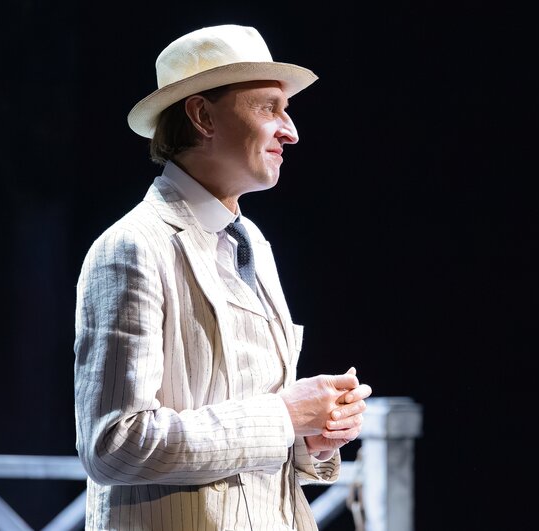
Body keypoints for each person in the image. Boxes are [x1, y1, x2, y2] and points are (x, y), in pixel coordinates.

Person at [73, 24, 372, 530]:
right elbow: (114, 444)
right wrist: (285, 416)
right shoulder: (132, 247)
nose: (290, 131)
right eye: (269, 108)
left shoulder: (252, 243)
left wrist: (309, 436)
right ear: (203, 116)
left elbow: (243, 434)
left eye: (286, 110)